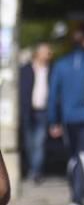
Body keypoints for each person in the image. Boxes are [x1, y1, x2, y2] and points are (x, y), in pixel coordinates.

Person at [48, 26, 84, 205]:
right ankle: (79, 196)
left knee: (73, 157)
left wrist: (53, 120)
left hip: (68, 118)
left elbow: (53, 95)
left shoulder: (61, 64)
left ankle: (74, 195)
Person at [18, 42, 53, 183]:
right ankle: (32, 167)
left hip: (43, 110)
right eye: (46, 52)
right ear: (37, 53)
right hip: (28, 110)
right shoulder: (25, 69)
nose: (49, 55)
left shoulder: (51, 69)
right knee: (28, 143)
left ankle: (35, 171)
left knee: (39, 142)